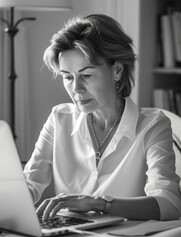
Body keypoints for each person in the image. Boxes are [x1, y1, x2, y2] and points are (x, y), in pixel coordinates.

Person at [24, 14, 181, 221]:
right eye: (68, 77)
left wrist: (97, 202)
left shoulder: (153, 124)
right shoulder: (59, 118)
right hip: (70, 234)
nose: (76, 89)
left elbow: (169, 205)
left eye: (87, 75)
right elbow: (29, 184)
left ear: (117, 70)